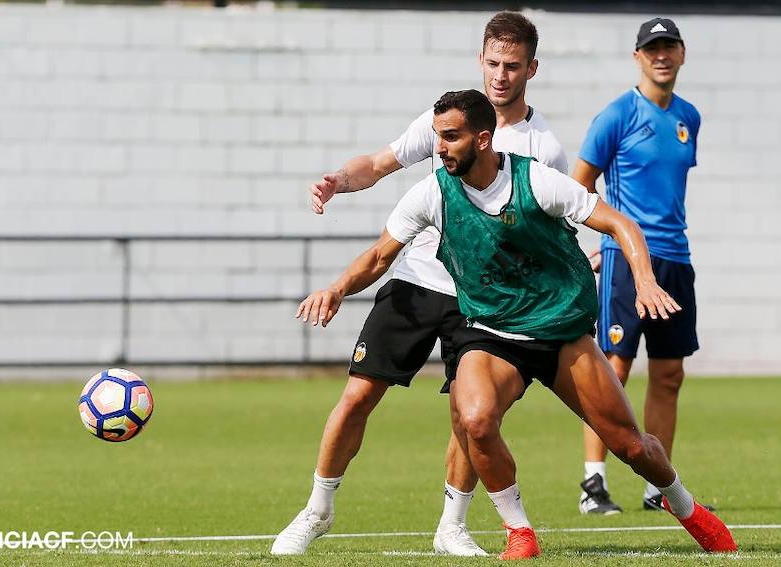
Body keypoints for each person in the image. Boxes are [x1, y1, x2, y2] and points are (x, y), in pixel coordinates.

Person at [295, 89, 736, 560]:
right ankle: (519, 530)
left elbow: (621, 225)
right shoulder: (430, 193)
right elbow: (380, 255)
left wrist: (644, 281)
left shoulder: (539, 180)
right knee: (476, 418)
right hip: (490, 333)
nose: (439, 148)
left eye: (450, 138)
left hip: (559, 330)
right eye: (436, 138)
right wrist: (337, 288)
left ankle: (687, 508)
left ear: (483, 140)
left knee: (630, 445)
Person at [271, 11, 565, 556]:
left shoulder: (542, 147)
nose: (501, 75)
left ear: (532, 69)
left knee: (469, 414)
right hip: (414, 282)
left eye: (513, 66)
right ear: (482, 60)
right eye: (493, 63)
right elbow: (379, 163)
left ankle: (451, 525)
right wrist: (339, 179)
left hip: (482, 300)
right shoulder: (444, 121)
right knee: (358, 395)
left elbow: (553, 229)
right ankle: (316, 511)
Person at [573, 17, 705, 514]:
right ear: (638, 58)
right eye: (652, 49)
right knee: (614, 370)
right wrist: (604, 241)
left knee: (669, 373)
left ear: (682, 54)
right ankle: (594, 485)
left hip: (676, 261)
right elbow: (578, 186)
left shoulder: (689, 117)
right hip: (626, 264)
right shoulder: (616, 116)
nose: (661, 55)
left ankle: (658, 487)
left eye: (669, 47)